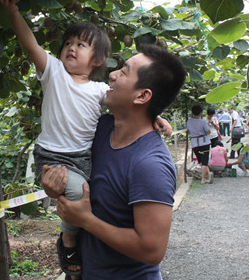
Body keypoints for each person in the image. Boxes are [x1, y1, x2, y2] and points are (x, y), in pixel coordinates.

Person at [0, 0, 172, 277]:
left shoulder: (99, 91)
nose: (71, 47)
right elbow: (30, 45)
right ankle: (68, 241)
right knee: (78, 192)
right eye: (68, 43)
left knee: (86, 195)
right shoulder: (54, 73)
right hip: (53, 154)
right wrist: (14, 14)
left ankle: (76, 243)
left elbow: (133, 104)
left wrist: (154, 117)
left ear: (97, 60)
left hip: (82, 156)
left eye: (81, 45)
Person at [41, 44, 187, 279]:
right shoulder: (99, 128)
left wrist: (85, 220)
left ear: (142, 95)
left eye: (124, 71)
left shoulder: (150, 165)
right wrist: (54, 186)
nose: (112, 74)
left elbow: (152, 250)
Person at [187, 104, 212, 184]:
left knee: (201, 161)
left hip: (195, 143)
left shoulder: (189, 121)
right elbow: (208, 131)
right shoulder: (202, 122)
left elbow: (189, 131)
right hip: (204, 142)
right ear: (201, 113)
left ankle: (209, 175)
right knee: (204, 161)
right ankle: (203, 179)